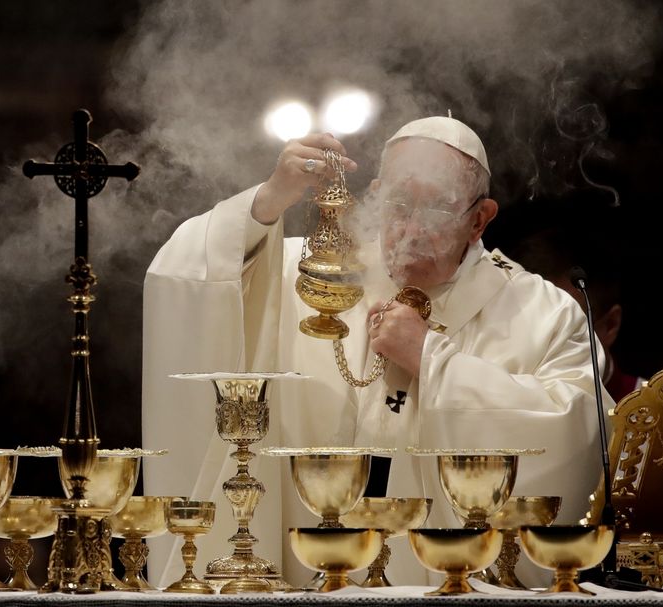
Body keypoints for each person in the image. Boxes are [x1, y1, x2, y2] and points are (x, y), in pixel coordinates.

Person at [141, 117, 612, 588]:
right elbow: (189, 276)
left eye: (438, 208)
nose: (413, 227)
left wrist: (432, 360)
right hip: (302, 585)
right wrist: (268, 201)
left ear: (479, 219)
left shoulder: (541, 312)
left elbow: (581, 427)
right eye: (398, 203)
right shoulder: (316, 275)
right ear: (375, 194)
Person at [509, 222, 643, 402]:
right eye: (526, 327)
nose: (539, 349)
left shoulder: (662, 413)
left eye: (566, 329)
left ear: (610, 326)